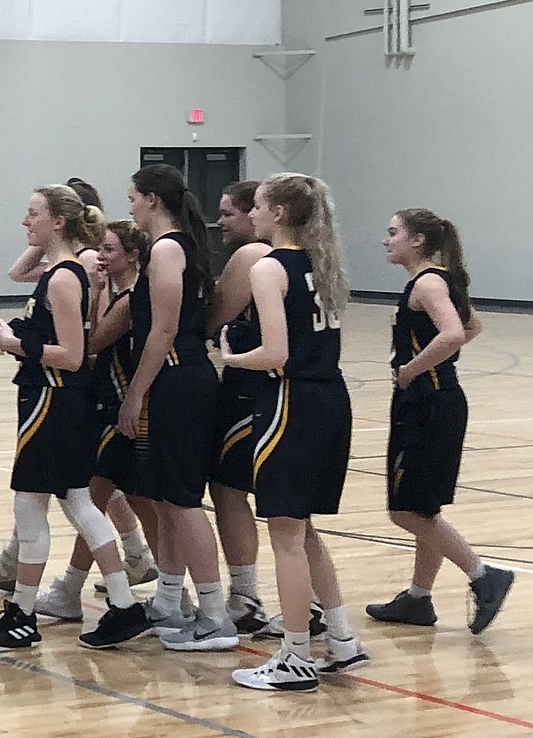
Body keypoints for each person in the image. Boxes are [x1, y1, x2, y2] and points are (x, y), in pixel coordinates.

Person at [0, 185, 148, 654]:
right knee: (79, 503)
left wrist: (17, 344)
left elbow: (72, 355)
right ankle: (126, 606)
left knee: (30, 507)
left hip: (54, 398)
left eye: (33, 215)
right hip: (55, 399)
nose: (25, 223)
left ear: (58, 223)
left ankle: (22, 615)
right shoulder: (62, 271)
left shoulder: (67, 277)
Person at [222, 172, 368, 692]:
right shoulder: (322, 264)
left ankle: (296, 658)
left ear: (279, 213)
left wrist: (230, 356)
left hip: (289, 400)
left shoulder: (268, 268)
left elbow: (275, 354)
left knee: (284, 533)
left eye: (258, 205)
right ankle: (343, 641)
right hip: (330, 399)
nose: (252, 213)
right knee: (303, 529)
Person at [366, 208, 514, 633]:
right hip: (440, 400)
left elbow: (454, 333)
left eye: (393, 232)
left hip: (427, 404)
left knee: (406, 511)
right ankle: (418, 598)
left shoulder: (428, 282)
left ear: (417, 241)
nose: (385, 239)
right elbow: (473, 327)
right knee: (424, 506)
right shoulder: (439, 279)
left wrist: (412, 369)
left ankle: (484, 575)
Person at [116, 163, 237, 652]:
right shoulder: (172, 245)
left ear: (151, 200)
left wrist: (135, 392)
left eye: (132, 197)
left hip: (177, 378)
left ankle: (214, 615)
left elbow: (162, 330)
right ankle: (168, 600)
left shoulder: (167, 248)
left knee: (184, 500)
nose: (128, 205)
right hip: (174, 377)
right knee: (166, 498)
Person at [32, 220, 160, 624]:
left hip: (120, 406)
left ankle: (76, 589)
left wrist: (95, 293)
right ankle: (168, 586)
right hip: (108, 403)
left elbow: (87, 345)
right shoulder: (120, 293)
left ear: (133, 256)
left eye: (109, 250)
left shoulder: (128, 300)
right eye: (100, 248)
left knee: (97, 498)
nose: (100, 257)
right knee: (123, 501)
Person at [205, 181, 275, 634]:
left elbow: (214, 317)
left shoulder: (252, 258)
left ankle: (246, 597)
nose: (220, 221)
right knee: (289, 509)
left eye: (228, 213)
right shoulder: (300, 258)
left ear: (257, 213)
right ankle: (314, 606)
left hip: (250, 387)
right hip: (283, 390)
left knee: (229, 489)